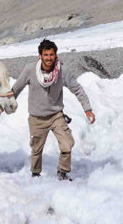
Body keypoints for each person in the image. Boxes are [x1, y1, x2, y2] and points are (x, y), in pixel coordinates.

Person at [11, 39, 95, 180]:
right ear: (40, 56)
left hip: (56, 115)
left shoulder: (62, 70)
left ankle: (62, 172)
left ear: (55, 55)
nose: (49, 58)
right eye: (46, 55)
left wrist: (88, 109)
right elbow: (16, 88)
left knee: (67, 144)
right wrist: (6, 104)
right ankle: (35, 174)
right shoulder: (30, 69)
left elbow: (77, 89)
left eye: (51, 54)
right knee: (36, 149)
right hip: (37, 118)